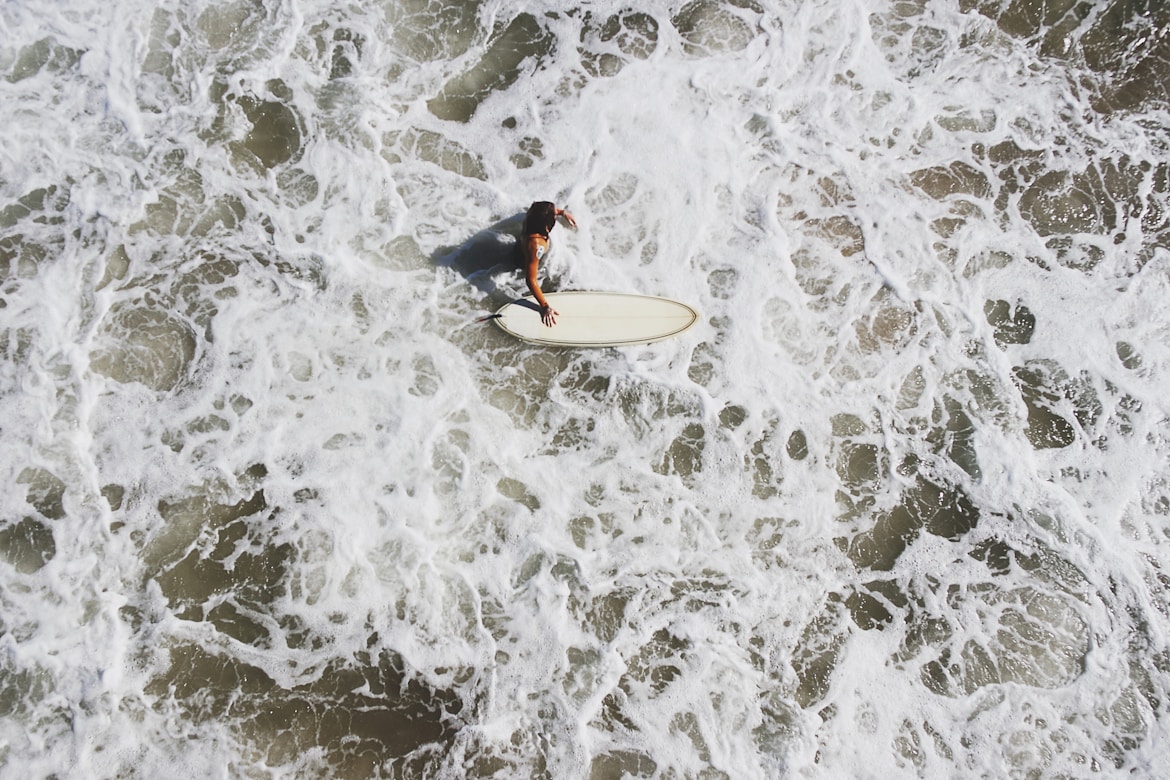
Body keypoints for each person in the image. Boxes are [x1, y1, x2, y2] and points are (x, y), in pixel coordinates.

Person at [520, 201, 577, 326]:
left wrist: (563, 212)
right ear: (546, 225)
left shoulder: (532, 218)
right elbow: (530, 280)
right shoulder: (536, 245)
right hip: (524, 263)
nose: (556, 216)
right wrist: (545, 307)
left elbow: (546, 212)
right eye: (554, 217)